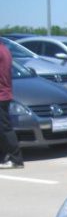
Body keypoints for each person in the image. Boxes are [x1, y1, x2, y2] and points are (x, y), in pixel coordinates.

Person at [0, 38, 24, 169]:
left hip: (1, 95)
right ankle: (5, 156)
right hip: (5, 93)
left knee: (5, 128)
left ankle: (16, 159)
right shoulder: (5, 49)